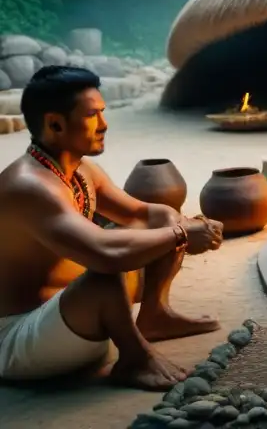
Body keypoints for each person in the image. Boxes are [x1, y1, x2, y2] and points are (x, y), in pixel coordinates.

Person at [0, 66, 224, 389]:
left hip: (66, 316)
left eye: (103, 113)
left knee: (164, 219)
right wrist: (184, 234)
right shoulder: (30, 186)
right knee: (108, 270)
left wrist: (184, 222)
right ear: (55, 124)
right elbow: (105, 254)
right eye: (93, 115)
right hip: (18, 340)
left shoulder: (81, 171)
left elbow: (146, 215)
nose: (104, 125)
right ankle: (134, 359)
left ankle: (154, 314)